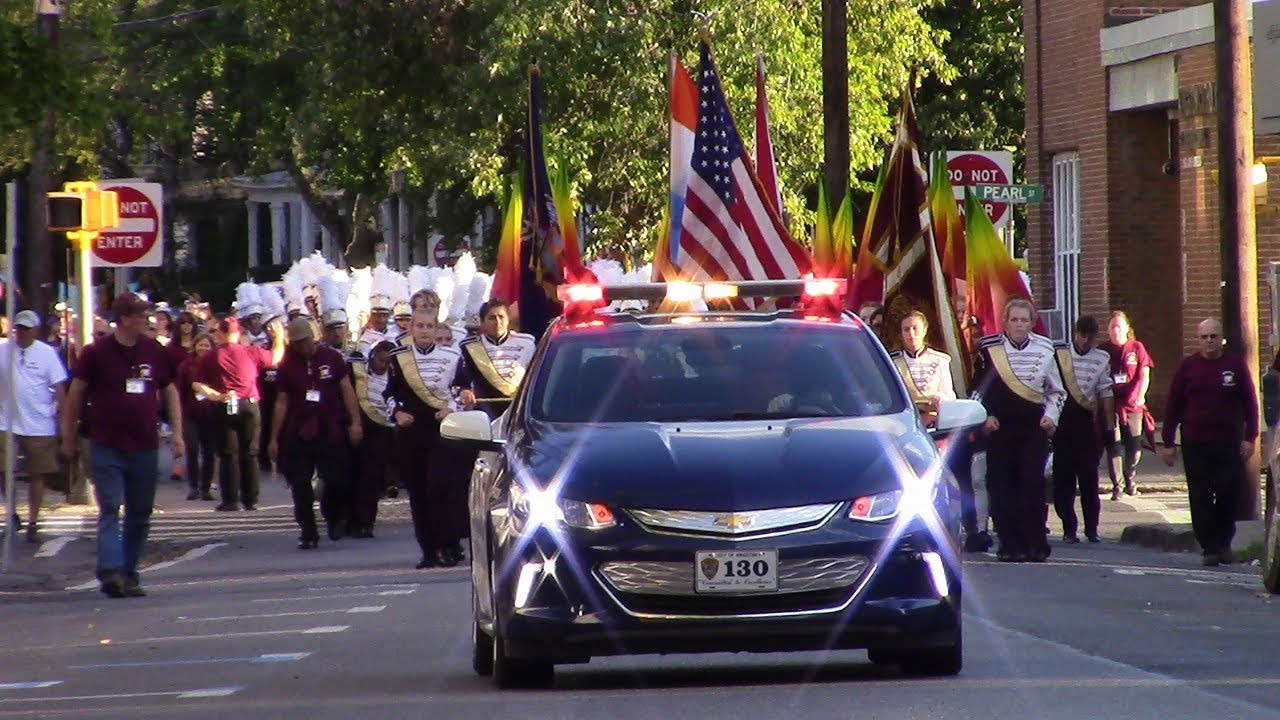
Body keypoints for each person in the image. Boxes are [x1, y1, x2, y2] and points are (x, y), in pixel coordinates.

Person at [60, 293, 184, 598]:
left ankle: (129, 572)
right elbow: (76, 392)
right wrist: (68, 434)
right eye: (141, 315)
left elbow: (170, 392)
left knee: (140, 512)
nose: (147, 320)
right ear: (125, 319)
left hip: (144, 444)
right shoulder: (97, 352)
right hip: (106, 442)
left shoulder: (154, 351)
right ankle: (111, 571)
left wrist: (178, 433)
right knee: (110, 507)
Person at [1159, 318, 1257, 567]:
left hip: (1227, 441)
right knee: (1200, 494)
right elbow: (1173, 406)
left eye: (1213, 336)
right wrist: (1168, 442)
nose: (1209, 341)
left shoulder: (1235, 366)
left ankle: (1224, 542)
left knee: (1227, 491)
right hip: (1195, 441)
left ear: (1221, 338)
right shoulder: (1188, 367)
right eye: (1204, 337)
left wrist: (1250, 437)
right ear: (1198, 339)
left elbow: (1250, 403)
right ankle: (1209, 547)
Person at [972, 298, 1064, 563]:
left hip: (1032, 428)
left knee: (1031, 484)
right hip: (1000, 428)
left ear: (1032, 322)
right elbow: (977, 389)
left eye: (1025, 320)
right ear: (1006, 321)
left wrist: (1051, 417)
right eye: (1015, 319)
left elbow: (1056, 391)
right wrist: (985, 417)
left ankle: (1036, 543)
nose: (1020, 325)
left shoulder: (1045, 349)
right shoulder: (989, 349)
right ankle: (1009, 544)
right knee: (1002, 486)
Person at [385, 307, 470, 568]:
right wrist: (397, 413)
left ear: (436, 329)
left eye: (428, 326)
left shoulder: (452, 356)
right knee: (418, 493)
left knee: (440, 488)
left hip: (442, 432)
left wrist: (451, 407)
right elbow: (388, 394)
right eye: (419, 326)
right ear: (410, 329)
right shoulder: (399, 358)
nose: (424, 331)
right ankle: (429, 550)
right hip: (411, 434)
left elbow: (464, 391)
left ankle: (448, 544)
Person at [269, 317, 363, 549]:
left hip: (329, 427)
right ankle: (308, 530)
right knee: (300, 483)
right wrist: (274, 437)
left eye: (306, 341)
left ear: (314, 337)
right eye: (298, 343)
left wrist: (355, 422)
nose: (304, 347)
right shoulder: (287, 365)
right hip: (299, 430)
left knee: (336, 479)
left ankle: (333, 516)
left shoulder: (332, 358)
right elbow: (281, 402)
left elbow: (347, 390)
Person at [192, 316, 285, 511]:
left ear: (220, 334)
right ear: (239, 333)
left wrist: (216, 396)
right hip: (249, 403)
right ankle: (251, 499)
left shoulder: (211, 356)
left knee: (228, 454)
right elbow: (275, 357)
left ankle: (230, 500)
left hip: (225, 403)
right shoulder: (250, 352)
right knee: (250, 453)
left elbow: (197, 384)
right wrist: (279, 337)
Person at [0, 311, 69, 542]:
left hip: (39, 422)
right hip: (6, 420)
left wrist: (64, 417)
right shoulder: (3, 350)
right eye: (18, 328)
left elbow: (59, 386)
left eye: (26, 328)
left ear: (35, 330)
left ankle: (33, 521)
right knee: (3, 469)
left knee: (37, 474)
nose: (21, 332)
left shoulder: (47, 354)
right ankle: (12, 512)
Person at [1051, 315, 1115, 544]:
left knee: (1089, 479)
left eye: (1090, 338)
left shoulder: (1102, 358)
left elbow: (1105, 392)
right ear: (1076, 333)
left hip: (1086, 423)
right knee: (1063, 479)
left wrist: (1109, 427)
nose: (1084, 341)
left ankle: (1092, 529)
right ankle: (1069, 528)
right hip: (1063, 421)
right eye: (1082, 336)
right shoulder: (1060, 355)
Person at [1100, 311, 1153, 500]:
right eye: (1112, 326)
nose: (1115, 330)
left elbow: (1144, 374)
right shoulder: (1102, 351)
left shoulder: (1136, 348)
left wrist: (1140, 396)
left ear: (1126, 329)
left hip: (1132, 404)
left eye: (1119, 326)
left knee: (1134, 446)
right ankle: (1118, 486)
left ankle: (1130, 477)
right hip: (1110, 403)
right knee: (1113, 445)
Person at [349, 341, 397, 537]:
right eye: (380, 360)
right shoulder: (358, 372)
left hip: (382, 430)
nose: (383, 365)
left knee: (372, 476)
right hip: (360, 425)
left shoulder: (395, 377)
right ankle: (350, 519)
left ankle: (367, 521)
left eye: (388, 362)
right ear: (373, 356)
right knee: (352, 475)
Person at [458, 299, 536, 421]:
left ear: (508, 320)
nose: (497, 322)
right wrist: (465, 391)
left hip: (519, 409)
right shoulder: (470, 347)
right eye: (492, 318)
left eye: (501, 317)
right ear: (482, 322)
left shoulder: (527, 343)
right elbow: (461, 379)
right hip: (486, 411)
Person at [178, 334, 217, 501]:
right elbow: (179, 389)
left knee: (209, 451)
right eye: (201, 345)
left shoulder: (217, 364)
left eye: (207, 345)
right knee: (192, 449)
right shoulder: (186, 365)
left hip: (211, 413)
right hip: (190, 413)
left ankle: (206, 488)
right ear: (194, 346)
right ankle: (193, 487)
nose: (203, 348)